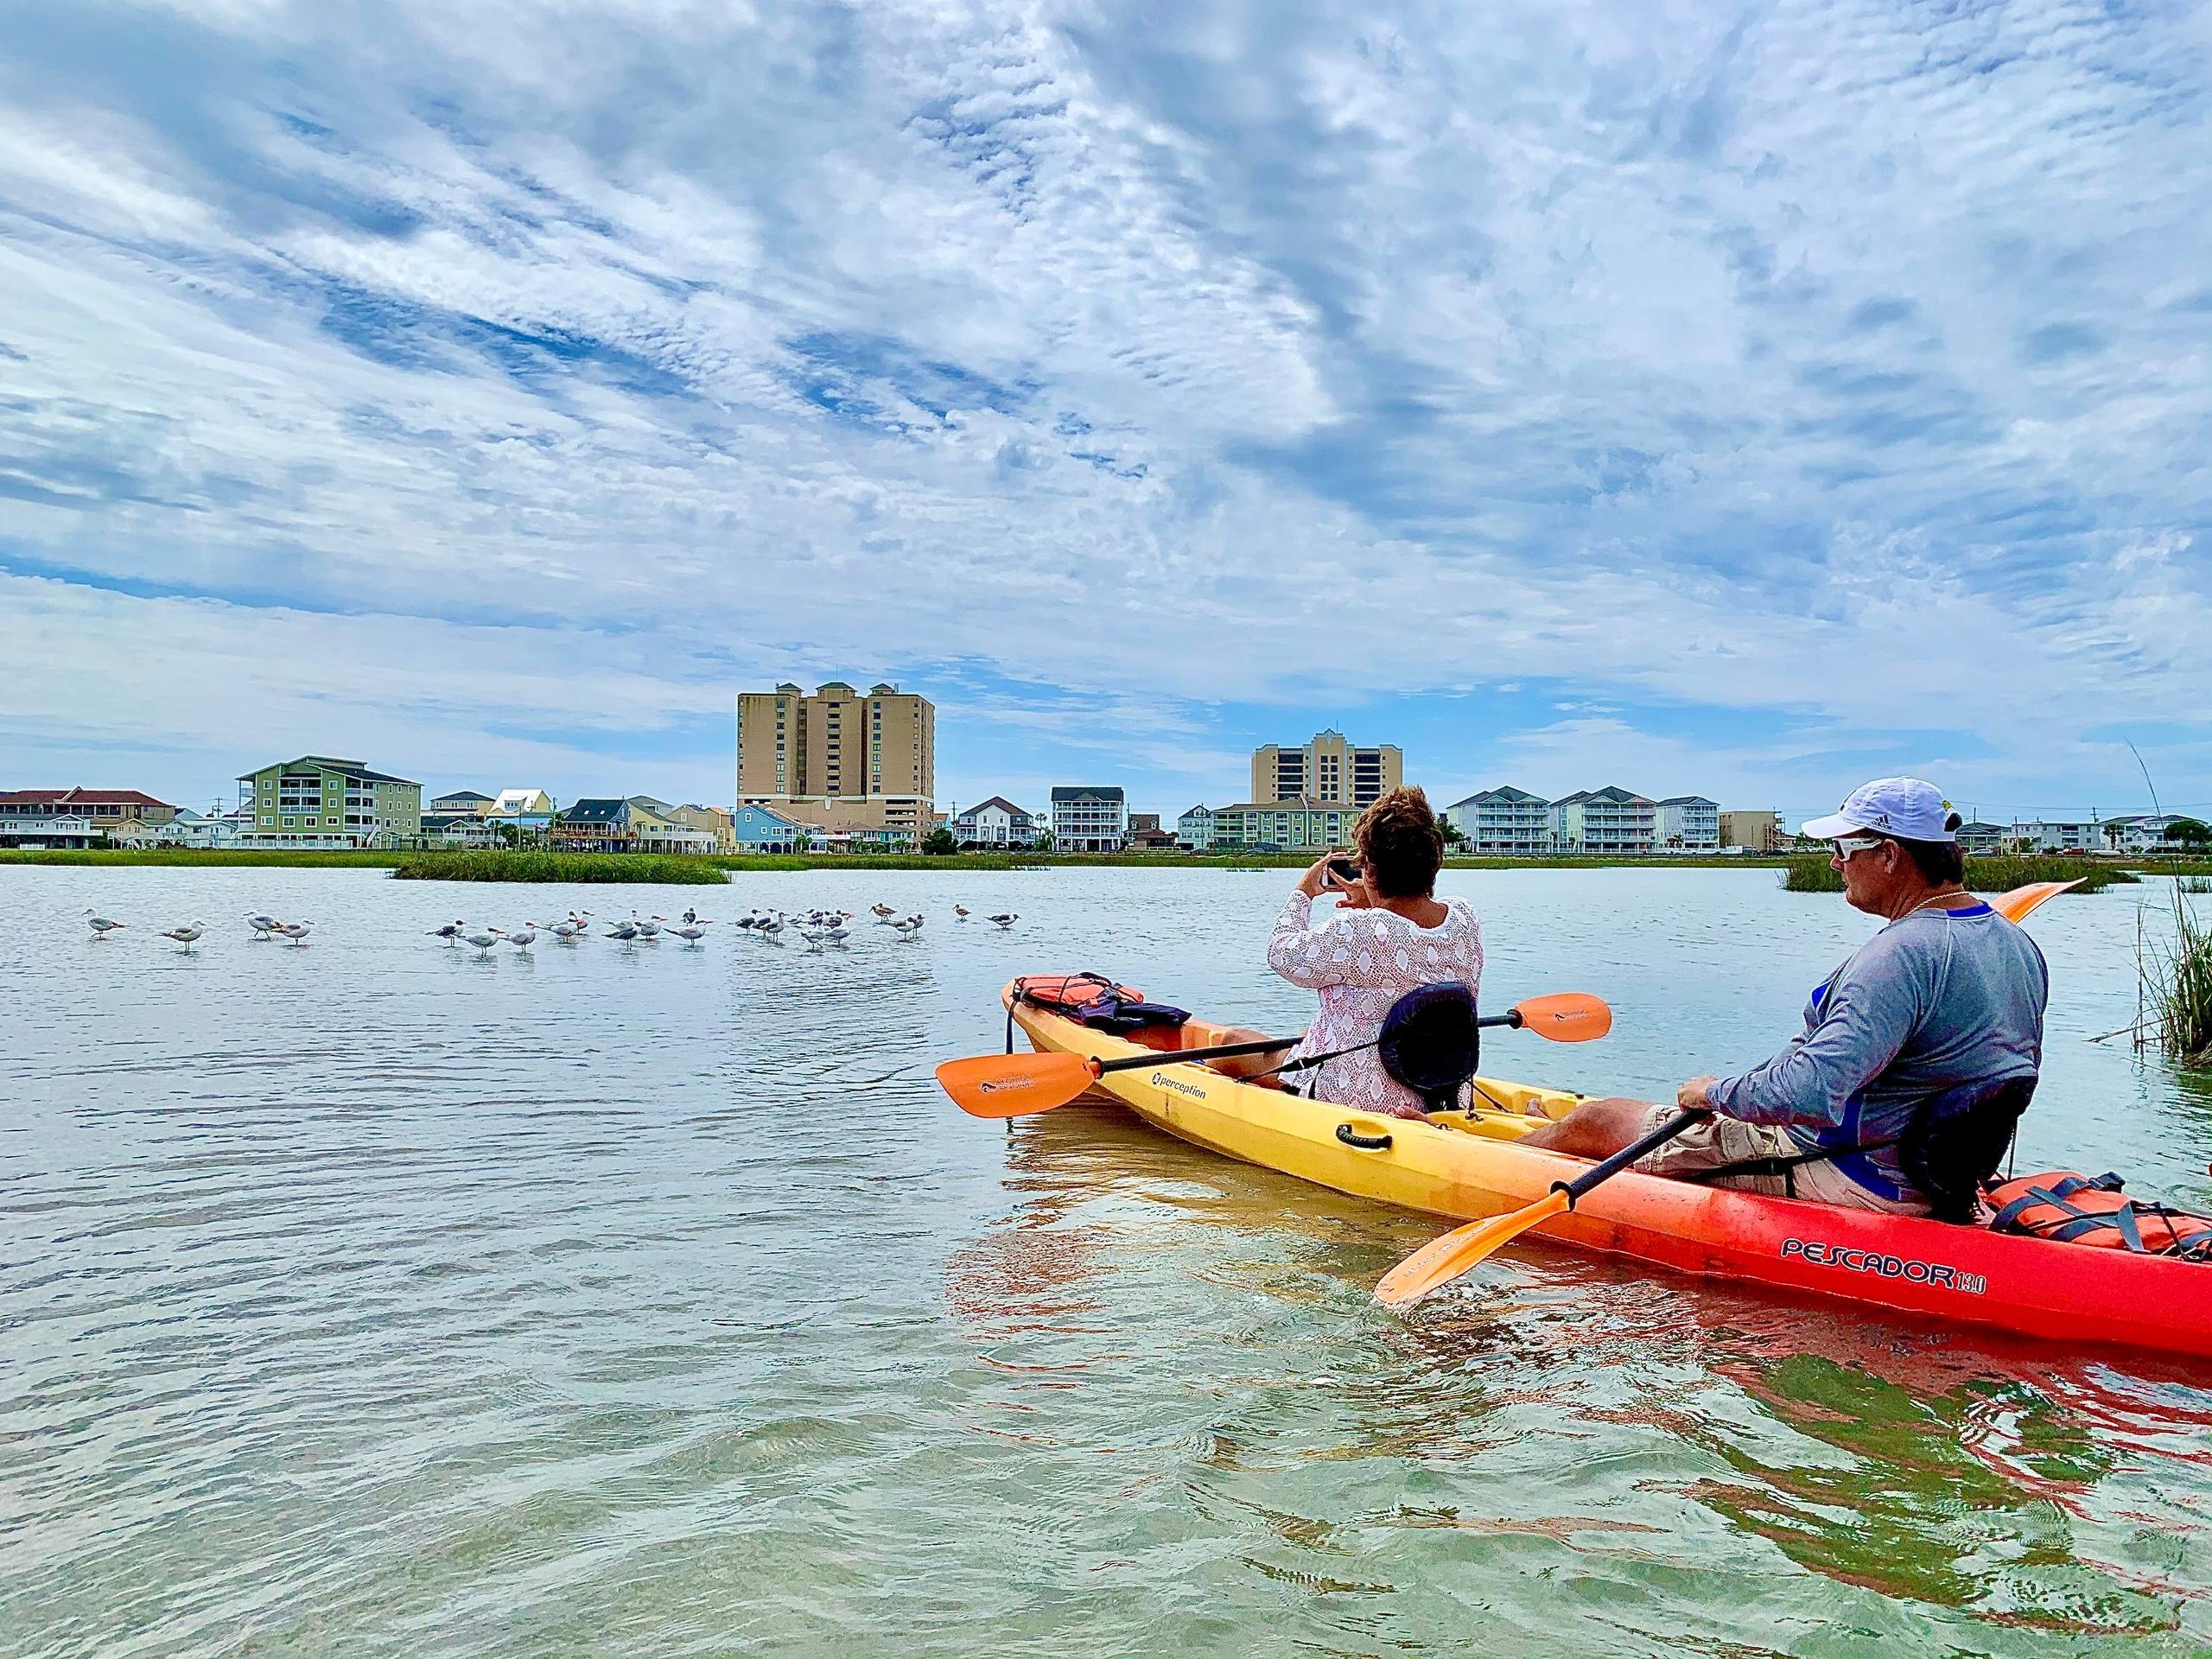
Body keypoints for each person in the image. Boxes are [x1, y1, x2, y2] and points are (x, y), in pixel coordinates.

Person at [1521, 777, 2049, 1216]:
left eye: (1844, 849)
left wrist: (1713, 1093)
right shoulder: (2016, 944)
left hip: (1855, 1173)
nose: (1835, 863)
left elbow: (1808, 1095)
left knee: (1600, 1120)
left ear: (1889, 855)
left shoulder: (1901, 956)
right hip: (1935, 1174)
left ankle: (1462, 1161)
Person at [1215, 787, 1484, 1119]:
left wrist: (1304, 892)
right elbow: (1412, 925)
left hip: (1354, 1098)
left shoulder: (1356, 929)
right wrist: (1375, 902)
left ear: (1369, 868)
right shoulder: (1464, 918)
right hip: (1443, 1095)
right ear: (1435, 862)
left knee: (1230, 1042)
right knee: (1306, 1034)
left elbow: (1281, 953)